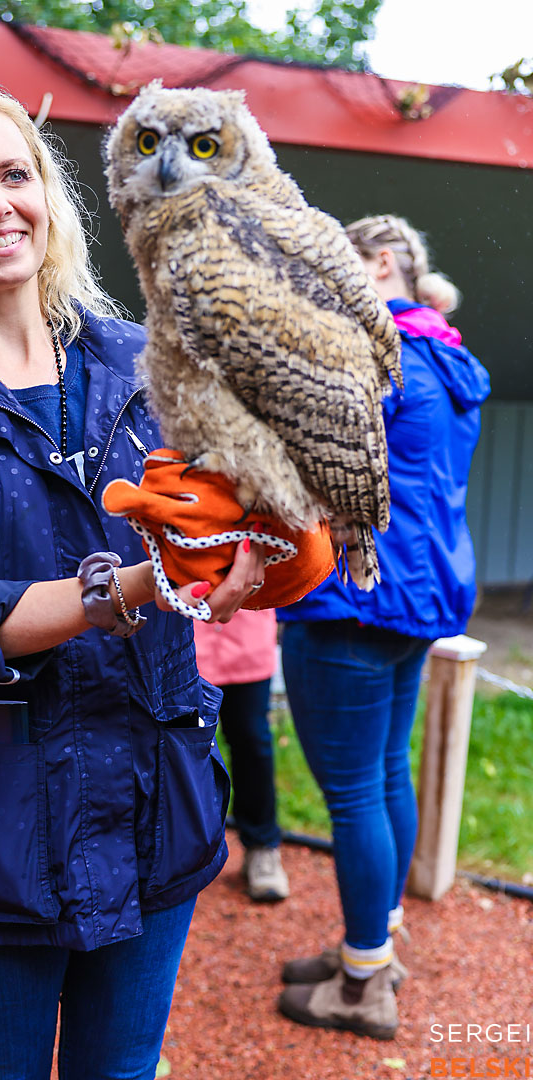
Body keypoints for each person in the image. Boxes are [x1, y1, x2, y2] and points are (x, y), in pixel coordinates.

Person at [0, 83, 268, 1080]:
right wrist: (139, 588)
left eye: (13, 174)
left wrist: (261, 549)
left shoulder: (150, 361)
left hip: (153, 798)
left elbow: (223, 514)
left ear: (48, 194)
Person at [276, 215, 490, 1040]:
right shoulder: (442, 350)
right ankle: (375, 944)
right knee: (385, 773)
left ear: (383, 261)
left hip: (356, 593)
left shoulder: (373, 353)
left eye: (339, 264)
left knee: (358, 788)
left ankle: (365, 983)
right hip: (419, 589)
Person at [194, 608, 290, 902]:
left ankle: (262, 847)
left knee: (251, 742)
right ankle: (177, 854)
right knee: (179, 747)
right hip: (184, 637)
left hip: (246, 635)